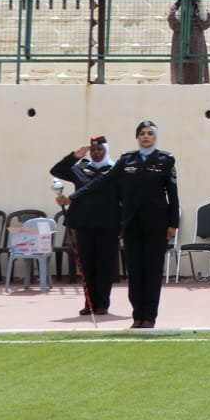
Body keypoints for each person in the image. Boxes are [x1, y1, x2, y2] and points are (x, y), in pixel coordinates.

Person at [67, 121, 179, 329]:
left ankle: (149, 317)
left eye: (150, 133)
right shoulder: (127, 159)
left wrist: (173, 223)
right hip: (132, 224)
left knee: (152, 271)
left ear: (155, 137)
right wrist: (74, 197)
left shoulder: (165, 160)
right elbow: (102, 182)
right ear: (137, 137)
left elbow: (172, 193)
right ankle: (137, 315)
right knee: (135, 272)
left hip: (156, 224)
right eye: (142, 133)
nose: (146, 137)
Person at [50, 135, 120, 317]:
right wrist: (75, 156)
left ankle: (103, 303)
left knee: (104, 265)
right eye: (93, 149)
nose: (96, 153)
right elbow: (56, 170)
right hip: (84, 224)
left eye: (100, 150)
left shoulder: (115, 170)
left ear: (106, 150)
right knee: (87, 265)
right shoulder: (82, 168)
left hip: (108, 225)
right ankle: (89, 303)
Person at [167, 0, 210, 85]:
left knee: (197, 64)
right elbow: (174, 21)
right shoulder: (176, 5)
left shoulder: (197, 6)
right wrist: (181, 4)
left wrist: (199, 2)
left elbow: (205, 20)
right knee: (179, 65)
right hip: (179, 39)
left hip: (196, 40)